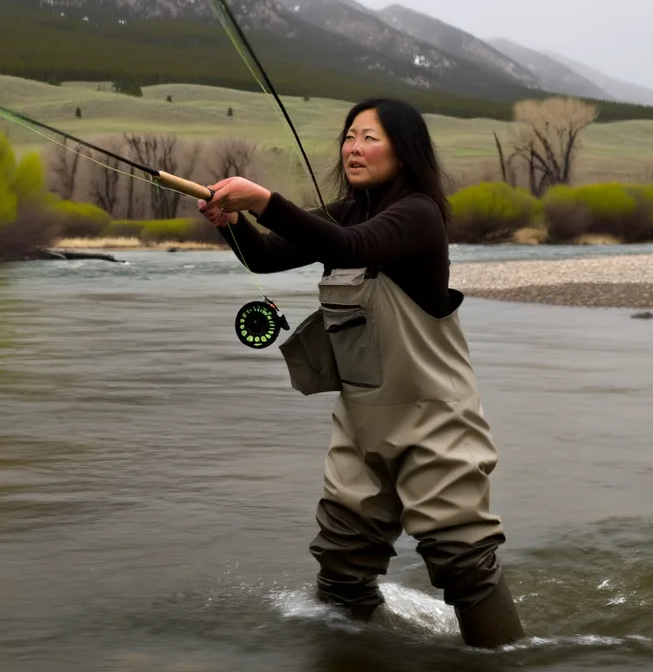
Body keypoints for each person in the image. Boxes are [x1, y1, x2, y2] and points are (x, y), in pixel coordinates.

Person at [197, 97, 525, 648]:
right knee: (342, 563)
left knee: (462, 562)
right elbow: (268, 257)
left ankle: (509, 660)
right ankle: (346, 653)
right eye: (349, 136)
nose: (354, 147)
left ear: (406, 149)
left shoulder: (418, 213)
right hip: (360, 419)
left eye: (370, 137)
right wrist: (234, 224)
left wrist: (265, 199)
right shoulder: (348, 210)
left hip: (433, 420)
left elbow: (354, 246)